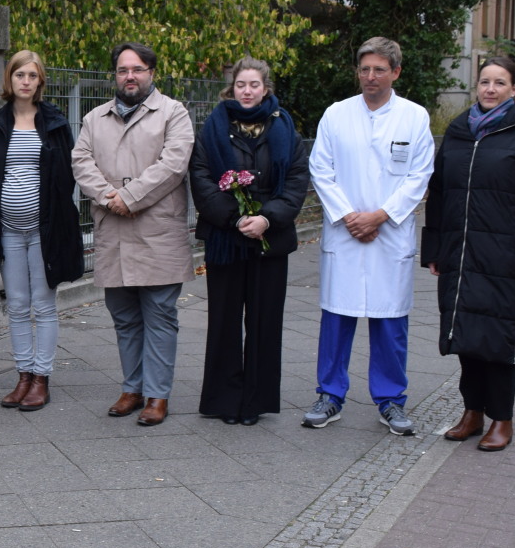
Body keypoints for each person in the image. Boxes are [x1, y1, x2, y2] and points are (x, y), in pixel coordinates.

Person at [421, 55, 515, 451]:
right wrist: (435, 248)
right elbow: (440, 192)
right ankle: (472, 412)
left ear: (514, 89)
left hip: (503, 255)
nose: (490, 89)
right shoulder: (460, 131)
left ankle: (502, 419)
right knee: (465, 334)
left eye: (499, 83)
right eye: (484, 81)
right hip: (461, 254)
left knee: (498, 336)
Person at [302, 37, 434, 435]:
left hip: (388, 235)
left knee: (390, 321)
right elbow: (320, 169)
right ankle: (330, 394)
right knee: (336, 318)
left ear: (395, 72)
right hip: (345, 235)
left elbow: (419, 175)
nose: (371, 77)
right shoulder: (337, 114)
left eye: (379, 69)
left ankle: (391, 400)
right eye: (365, 69)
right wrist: (348, 216)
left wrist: (379, 216)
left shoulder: (414, 117)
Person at [72, 41, 195, 426]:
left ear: (151, 73)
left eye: (138, 69)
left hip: (157, 232)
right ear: (115, 75)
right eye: (123, 69)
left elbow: (173, 165)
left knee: (159, 314)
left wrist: (129, 196)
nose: (130, 76)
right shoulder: (95, 118)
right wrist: (110, 198)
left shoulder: (173, 113)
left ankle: (157, 395)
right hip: (114, 231)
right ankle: (132, 387)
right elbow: (81, 161)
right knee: (124, 316)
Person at [188, 57, 310, 425]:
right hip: (226, 235)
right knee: (224, 320)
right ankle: (225, 399)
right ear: (232, 87)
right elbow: (201, 176)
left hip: (269, 239)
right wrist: (235, 216)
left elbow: (296, 179)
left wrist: (267, 218)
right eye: (241, 84)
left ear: (265, 88)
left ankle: (255, 401)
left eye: (254, 85)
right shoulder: (213, 126)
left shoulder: (285, 127)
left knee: (264, 319)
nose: (247, 91)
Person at [0, 50, 85, 412]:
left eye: (32, 75)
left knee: (44, 304)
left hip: (45, 230)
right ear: (9, 79)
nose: (25, 81)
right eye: (19, 75)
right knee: (17, 305)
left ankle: (42, 378)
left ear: (40, 81)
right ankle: (23, 375)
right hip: (7, 229)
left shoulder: (54, 122)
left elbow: (68, 175)